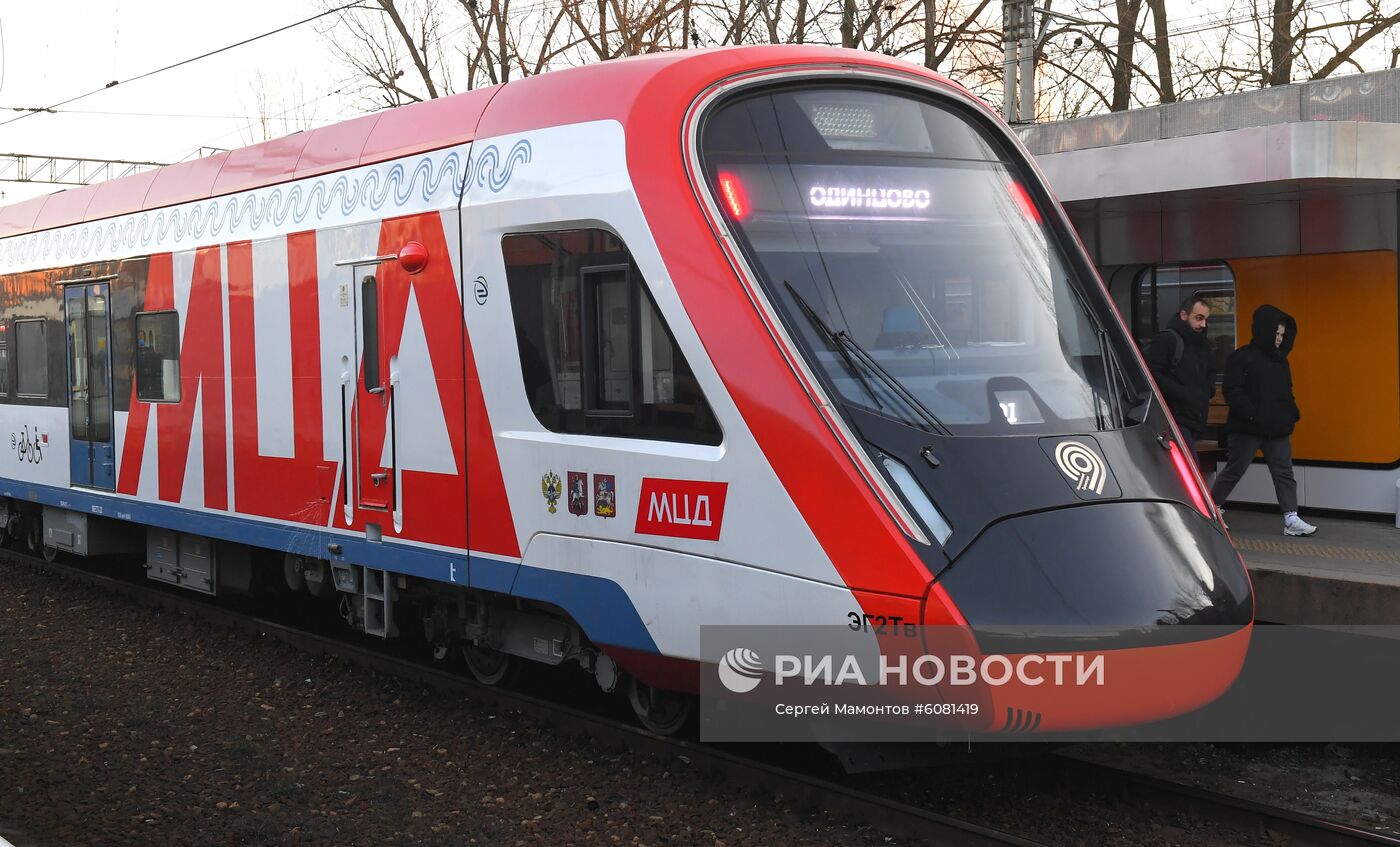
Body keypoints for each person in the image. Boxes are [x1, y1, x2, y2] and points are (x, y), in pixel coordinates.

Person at [1209, 304, 1317, 537]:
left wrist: (1290, 411)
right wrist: (1253, 414)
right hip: (1247, 428)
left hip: (1275, 428)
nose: (1279, 339)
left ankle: (1291, 517)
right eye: (1275, 334)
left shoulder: (1280, 361)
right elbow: (1233, 390)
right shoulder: (1242, 357)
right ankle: (1211, 509)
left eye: (1281, 335)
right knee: (1235, 469)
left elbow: (1286, 391)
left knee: (1284, 472)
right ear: (1264, 331)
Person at [1144, 297, 1214, 457]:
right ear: (1184, 315)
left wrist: (1208, 389)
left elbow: (1210, 371)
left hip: (1194, 418)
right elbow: (1151, 374)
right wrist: (1182, 393)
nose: (1203, 325)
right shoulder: (1167, 340)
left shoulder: (1203, 344)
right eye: (1199, 318)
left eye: (1206, 319)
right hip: (1174, 417)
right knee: (1190, 467)